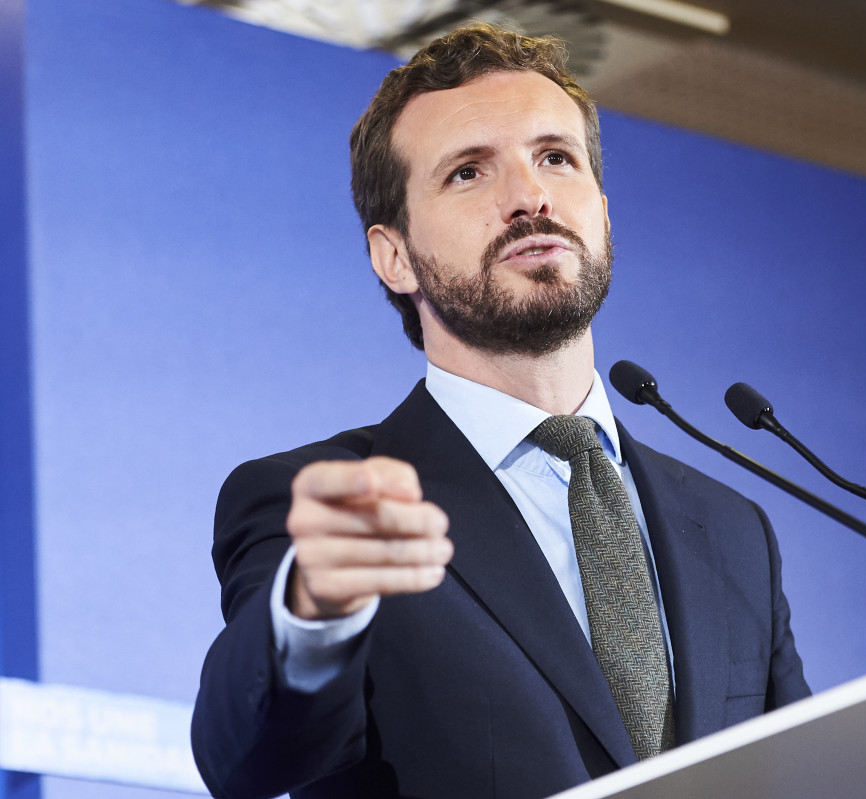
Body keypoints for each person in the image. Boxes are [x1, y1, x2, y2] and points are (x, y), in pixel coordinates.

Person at [191, 22, 810, 799]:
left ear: (604, 212)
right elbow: (245, 757)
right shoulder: (334, 504)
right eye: (468, 173)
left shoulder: (731, 528)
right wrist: (313, 611)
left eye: (555, 157)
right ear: (395, 255)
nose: (529, 197)